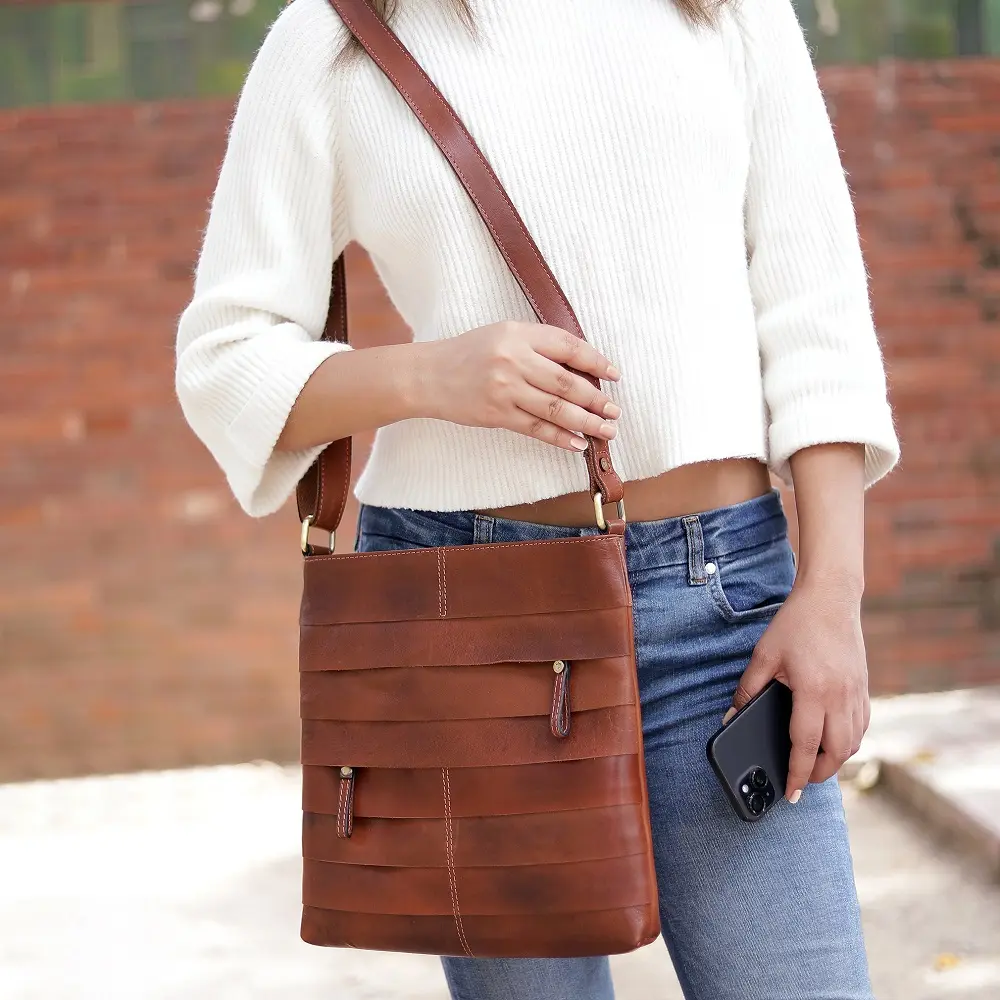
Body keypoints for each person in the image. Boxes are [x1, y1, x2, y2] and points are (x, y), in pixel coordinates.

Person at [176, 0, 899, 997]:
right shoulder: (339, 33)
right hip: (470, 627)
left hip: (728, 618)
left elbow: (814, 309)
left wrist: (832, 593)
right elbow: (225, 358)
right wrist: (432, 375)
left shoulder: (726, 11)